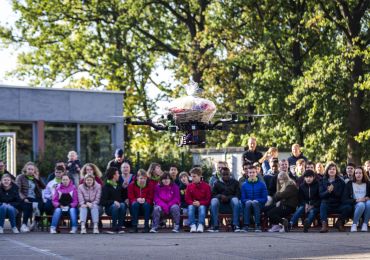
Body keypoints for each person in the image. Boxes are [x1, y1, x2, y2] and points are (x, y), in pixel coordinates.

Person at [319, 162, 352, 233]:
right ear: (327, 171)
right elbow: (321, 195)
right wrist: (328, 191)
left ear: (336, 171)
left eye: (333, 169)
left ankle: (339, 223)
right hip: (327, 204)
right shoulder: (322, 181)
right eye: (330, 169)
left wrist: (333, 190)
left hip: (338, 204)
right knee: (323, 204)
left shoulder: (341, 181)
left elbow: (342, 196)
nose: (332, 170)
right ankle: (324, 226)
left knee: (348, 207)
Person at [208, 167, 240, 232]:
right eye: (223, 174)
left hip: (231, 203)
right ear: (220, 174)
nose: (225, 176)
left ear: (229, 174)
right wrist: (220, 196)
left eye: (227, 174)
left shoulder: (235, 182)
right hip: (220, 203)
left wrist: (228, 198)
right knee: (214, 201)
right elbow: (213, 195)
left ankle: (235, 225)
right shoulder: (216, 183)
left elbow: (238, 195)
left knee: (236, 200)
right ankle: (215, 225)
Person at [16, 162, 45, 233]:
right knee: (28, 205)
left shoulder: (35, 178)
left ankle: (35, 223)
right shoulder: (20, 177)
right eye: (29, 169)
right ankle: (24, 225)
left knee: (41, 205)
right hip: (24, 197)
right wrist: (24, 198)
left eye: (32, 169)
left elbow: (44, 187)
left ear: (34, 171)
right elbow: (18, 190)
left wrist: (38, 179)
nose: (30, 171)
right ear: (25, 169)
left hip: (35, 198)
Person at [342, 167, 370, 232]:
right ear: (354, 175)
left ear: (363, 174)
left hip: (366, 203)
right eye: (356, 173)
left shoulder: (368, 183)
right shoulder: (350, 184)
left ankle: (365, 224)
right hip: (354, 204)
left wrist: (368, 197)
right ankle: (354, 224)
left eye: (360, 173)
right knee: (361, 205)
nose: (358, 175)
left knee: (369, 203)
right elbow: (344, 199)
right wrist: (356, 200)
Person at [241, 165, 267, 232]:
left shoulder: (262, 184)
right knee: (248, 203)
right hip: (248, 205)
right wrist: (248, 201)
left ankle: (257, 225)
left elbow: (265, 198)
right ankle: (246, 225)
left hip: (259, 205)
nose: (251, 174)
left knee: (255, 203)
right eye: (250, 172)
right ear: (247, 173)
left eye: (253, 172)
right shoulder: (244, 185)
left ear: (256, 173)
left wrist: (257, 200)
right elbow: (243, 199)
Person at [101, 167, 127, 234]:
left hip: (119, 207)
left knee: (123, 205)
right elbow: (103, 202)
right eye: (118, 173)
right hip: (109, 209)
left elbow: (122, 198)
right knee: (114, 206)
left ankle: (120, 226)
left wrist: (124, 188)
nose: (119, 175)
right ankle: (114, 227)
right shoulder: (106, 187)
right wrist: (113, 202)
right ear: (113, 175)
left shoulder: (118, 186)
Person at [185, 167, 211, 233]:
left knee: (202, 208)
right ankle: (192, 225)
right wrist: (193, 203)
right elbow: (187, 199)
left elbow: (208, 199)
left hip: (202, 204)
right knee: (190, 207)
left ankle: (200, 224)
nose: (192, 178)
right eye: (191, 177)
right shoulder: (189, 186)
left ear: (199, 176)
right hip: (193, 204)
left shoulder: (206, 186)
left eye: (194, 176)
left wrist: (200, 203)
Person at [128, 169, 154, 233]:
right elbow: (130, 197)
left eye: (144, 178)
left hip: (146, 204)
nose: (142, 180)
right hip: (135, 205)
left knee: (146, 205)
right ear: (137, 178)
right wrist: (136, 199)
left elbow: (151, 197)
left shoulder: (150, 184)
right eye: (141, 178)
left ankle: (146, 226)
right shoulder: (131, 185)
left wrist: (145, 200)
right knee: (135, 204)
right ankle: (134, 226)